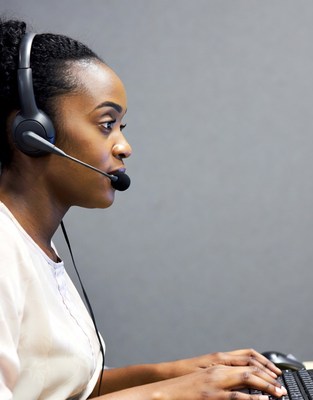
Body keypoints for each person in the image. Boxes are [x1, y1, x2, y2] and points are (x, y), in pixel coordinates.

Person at [0, 18, 288, 399]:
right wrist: (166, 394)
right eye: (107, 124)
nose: (124, 146)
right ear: (32, 134)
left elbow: (67, 388)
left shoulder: (33, 248)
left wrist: (173, 373)